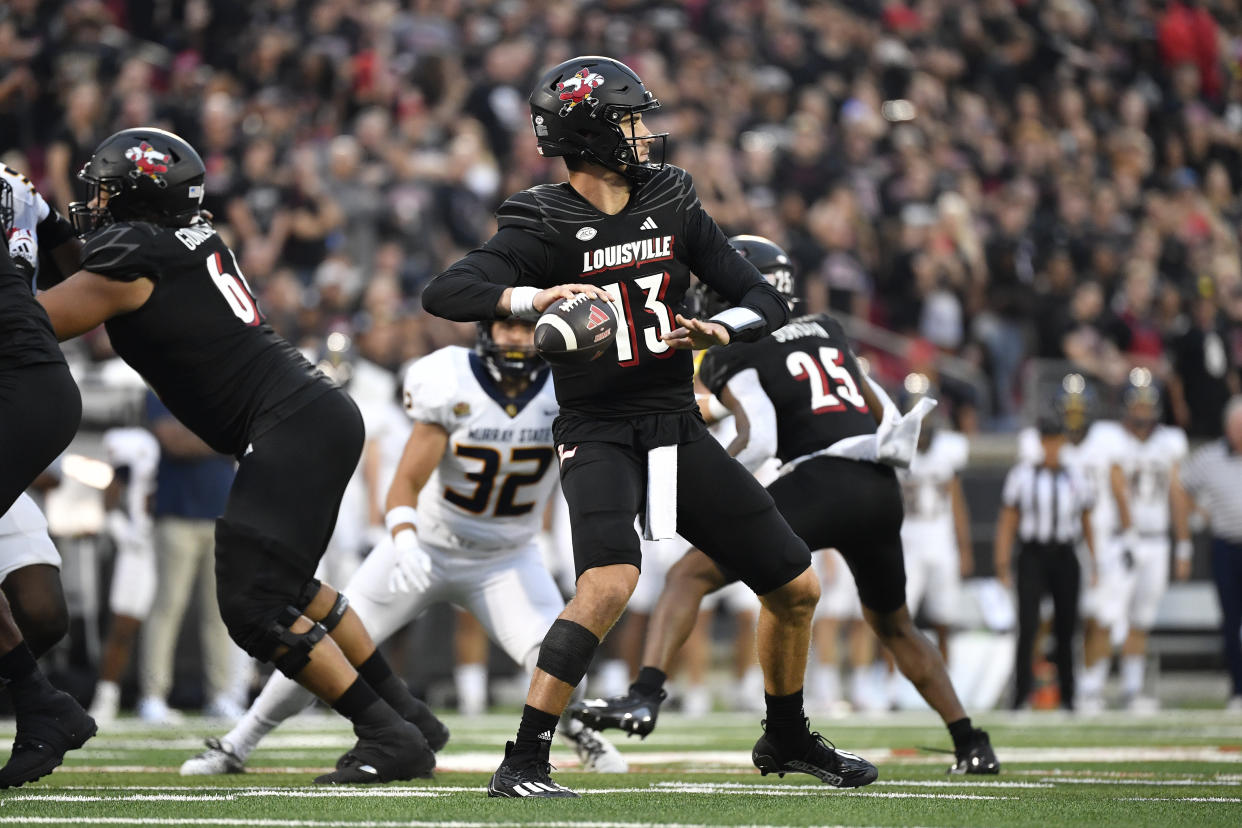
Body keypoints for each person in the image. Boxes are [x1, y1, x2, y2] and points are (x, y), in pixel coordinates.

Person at [422, 57, 875, 797]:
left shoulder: (671, 196)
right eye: (629, 120)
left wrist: (719, 331)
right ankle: (525, 757)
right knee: (609, 582)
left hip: (675, 422)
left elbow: (763, 296)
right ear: (592, 132)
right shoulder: (542, 219)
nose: (643, 133)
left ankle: (785, 735)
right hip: (598, 427)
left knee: (795, 585)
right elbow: (447, 291)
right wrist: (535, 299)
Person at [36, 127, 445, 784]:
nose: (97, 202)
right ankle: (406, 717)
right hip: (312, 412)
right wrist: (50, 229)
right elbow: (89, 277)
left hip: (289, 424)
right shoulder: (176, 240)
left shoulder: (133, 260)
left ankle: (387, 734)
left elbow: (39, 321)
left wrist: (23, 251)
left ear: (138, 198)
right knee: (288, 590)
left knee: (255, 606)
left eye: (107, 191)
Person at [572, 236, 997, 775]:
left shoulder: (735, 347)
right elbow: (877, 404)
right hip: (878, 485)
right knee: (895, 625)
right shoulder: (828, 327)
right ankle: (971, 742)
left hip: (817, 484)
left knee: (687, 576)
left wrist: (705, 486)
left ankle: (646, 693)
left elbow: (760, 440)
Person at [180, 319, 626, 777]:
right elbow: (404, 485)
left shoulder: (568, 388)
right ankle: (238, 742)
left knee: (562, 656)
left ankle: (575, 730)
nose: (514, 337)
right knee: (321, 645)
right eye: (505, 326)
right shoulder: (451, 379)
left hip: (507, 555)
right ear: (486, 332)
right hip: (426, 546)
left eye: (523, 328)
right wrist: (407, 542)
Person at [0, 175, 95, 788]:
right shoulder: (14, 184)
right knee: (40, 608)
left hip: (15, 385)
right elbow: (77, 260)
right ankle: (41, 705)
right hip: (38, 384)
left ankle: (44, 706)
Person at [0, 163, 83, 658]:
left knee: (43, 614)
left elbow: (75, 257)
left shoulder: (12, 182)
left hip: (16, 384)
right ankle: (40, 706)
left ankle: (34, 702)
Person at [1018, 374, 1125, 713]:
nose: (1074, 417)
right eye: (1069, 410)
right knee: (1041, 622)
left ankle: (1086, 686)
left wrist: (1127, 533)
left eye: (1080, 410)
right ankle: (1036, 687)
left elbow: (1116, 488)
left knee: (1094, 618)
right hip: (1045, 545)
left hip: (1094, 539)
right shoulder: (1038, 447)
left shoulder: (1106, 440)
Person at [135, 392, 244, 723]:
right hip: (177, 512)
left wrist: (207, 437)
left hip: (223, 512)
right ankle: (152, 695)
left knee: (220, 612)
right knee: (168, 607)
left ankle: (221, 694)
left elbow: (242, 439)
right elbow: (175, 443)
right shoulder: (159, 388)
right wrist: (220, 438)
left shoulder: (220, 385)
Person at [1098, 370, 1191, 711]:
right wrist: (1130, 533)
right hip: (1122, 541)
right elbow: (1117, 485)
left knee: (1142, 618)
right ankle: (1090, 687)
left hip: (1157, 541)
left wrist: (1183, 544)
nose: (1141, 408)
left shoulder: (1169, 442)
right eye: (1136, 401)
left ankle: (1131, 689)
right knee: (1107, 615)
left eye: (1146, 401)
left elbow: (1177, 494)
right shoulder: (1111, 438)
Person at [995, 415, 1096, 710]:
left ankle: (1069, 697)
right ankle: (1020, 697)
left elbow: (1086, 519)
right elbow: (1008, 519)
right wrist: (1002, 562)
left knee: (1066, 628)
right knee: (1027, 626)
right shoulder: (1022, 475)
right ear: (1040, 442)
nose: (1051, 446)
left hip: (1065, 554)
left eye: (1056, 439)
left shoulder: (1076, 476)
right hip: (1033, 555)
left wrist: (1096, 561)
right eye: (1047, 440)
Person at [896, 375, 974, 662]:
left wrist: (964, 548)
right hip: (906, 540)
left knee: (944, 617)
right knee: (897, 616)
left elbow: (957, 501)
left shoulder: (950, 448)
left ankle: (946, 679)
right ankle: (889, 686)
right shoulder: (893, 447)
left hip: (941, 540)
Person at [89, 426, 160, 723]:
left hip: (167, 539)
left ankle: (155, 698)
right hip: (140, 549)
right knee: (124, 624)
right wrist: (120, 529)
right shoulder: (137, 443)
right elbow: (114, 488)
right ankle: (106, 697)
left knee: (162, 626)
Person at [1180, 396, 1242, 710]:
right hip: (1226, 545)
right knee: (1230, 620)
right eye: (1236, 427)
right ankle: (1238, 689)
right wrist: (1198, 511)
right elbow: (1180, 485)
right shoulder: (1210, 457)